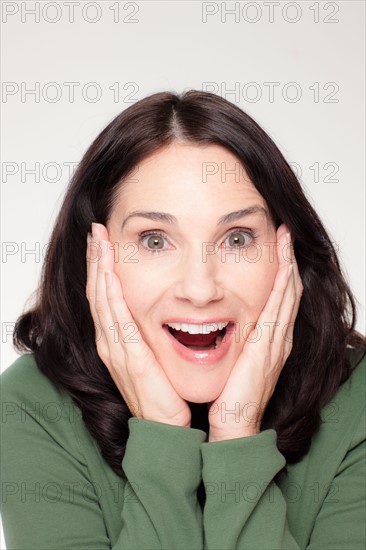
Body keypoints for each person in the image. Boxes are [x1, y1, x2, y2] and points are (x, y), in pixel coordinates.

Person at [1, 90, 365, 550]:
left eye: (236, 239)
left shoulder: (359, 401)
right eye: (154, 240)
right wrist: (162, 440)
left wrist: (238, 432)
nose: (200, 288)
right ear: (94, 255)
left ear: (285, 250)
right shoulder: (33, 403)